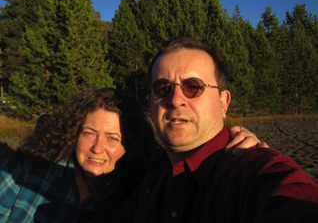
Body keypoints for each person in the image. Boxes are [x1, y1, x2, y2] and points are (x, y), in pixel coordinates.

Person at [113, 37, 318, 223]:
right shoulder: (152, 170)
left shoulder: (252, 170)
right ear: (150, 102)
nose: (175, 100)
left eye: (193, 86)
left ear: (223, 103)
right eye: (162, 89)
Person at [0, 88, 262, 222]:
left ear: (130, 146)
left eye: (113, 138)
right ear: (73, 134)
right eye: (89, 133)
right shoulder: (32, 173)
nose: (97, 148)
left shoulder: (139, 194)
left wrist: (238, 149)